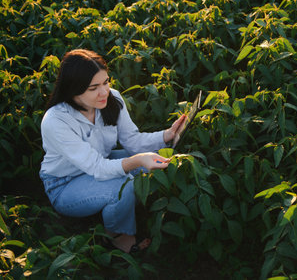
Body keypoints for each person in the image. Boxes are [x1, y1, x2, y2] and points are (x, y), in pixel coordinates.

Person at [39, 49, 186, 253]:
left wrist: (166, 135)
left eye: (105, 82)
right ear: (73, 90)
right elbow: (98, 167)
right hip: (65, 184)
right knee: (122, 185)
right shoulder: (56, 121)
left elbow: (132, 141)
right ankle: (116, 236)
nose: (104, 91)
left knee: (151, 168)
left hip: (100, 163)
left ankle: (112, 209)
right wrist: (138, 160)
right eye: (93, 88)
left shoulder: (112, 99)